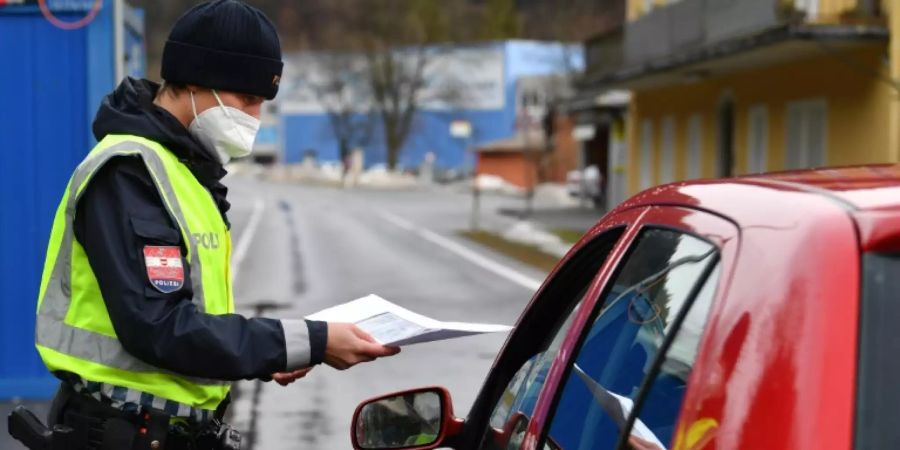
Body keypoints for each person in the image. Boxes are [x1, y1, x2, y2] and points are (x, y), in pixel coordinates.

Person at [31, 1, 398, 449]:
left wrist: (265, 355)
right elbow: (159, 326)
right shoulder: (129, 171)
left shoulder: (183, 173)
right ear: (194, 82)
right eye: (247, 100)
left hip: (163, 430)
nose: (254, 118)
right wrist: (309, 341)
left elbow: (192, 321)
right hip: (116, 431)